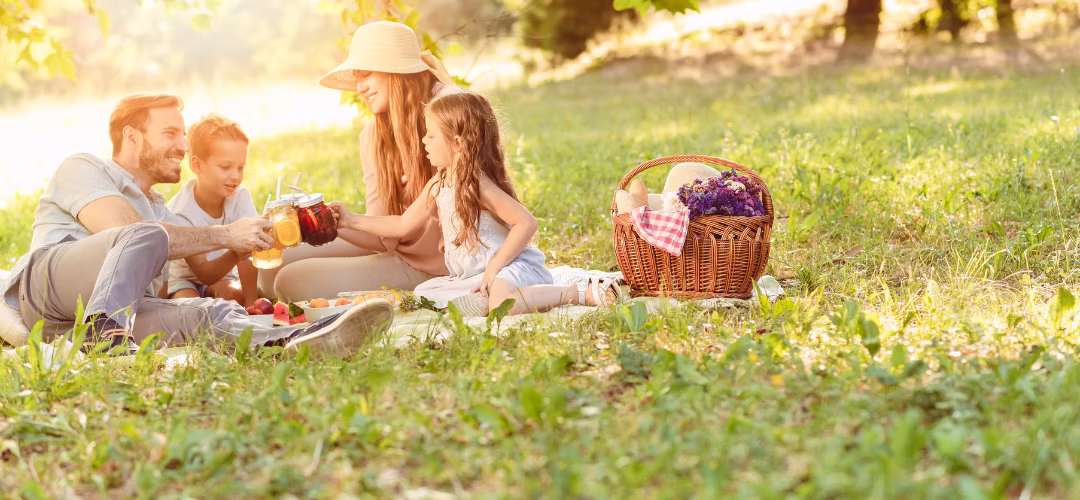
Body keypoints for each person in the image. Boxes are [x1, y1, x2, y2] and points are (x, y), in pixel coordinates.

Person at [1, 92, 392, 357]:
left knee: (209, 313)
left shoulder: (162, 212)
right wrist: (226, 234)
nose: (185, 147)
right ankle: (109, 337)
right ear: (132, 137)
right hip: (47, 288)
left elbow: (183, 263)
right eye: (170, 133)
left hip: (93, 321)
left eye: (184, 135)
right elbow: (121, 230)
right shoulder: (83, 167)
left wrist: (247, 243)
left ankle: (301, 339)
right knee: (146, 233)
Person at [330, 92, 622, 316]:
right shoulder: (439, 183)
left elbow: (526, 222)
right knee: (426, 292)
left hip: (510, 266)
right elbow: (402, 224)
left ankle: (575, 293)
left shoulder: (476, 184)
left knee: (501, 304)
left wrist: (495, 266)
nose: (423, 140)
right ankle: (493, 294)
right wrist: (348, 220)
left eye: (431, 135)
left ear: (457, 143)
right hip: (474, 274)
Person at [263, 20, 460, 302]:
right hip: (398, 246)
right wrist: (336, 222)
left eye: (366, 75)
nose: (360, 88)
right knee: (275, 261)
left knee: (291, 282)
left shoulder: (451, 109)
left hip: (441, 265)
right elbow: (381, 236)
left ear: (395, 69)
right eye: (357, 78)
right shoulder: (374, 134)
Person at [165, 114, 258, 307]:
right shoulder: (180, 212)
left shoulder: (239, 197)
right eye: (225, 167)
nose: (236, 176)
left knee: (236, 297)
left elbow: (248, 257)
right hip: (183, 280)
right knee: (192, 309)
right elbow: (204, 273)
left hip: (222, 276)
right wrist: (237, 251)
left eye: (241, 168)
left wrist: (252, 306)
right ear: (197, 165)